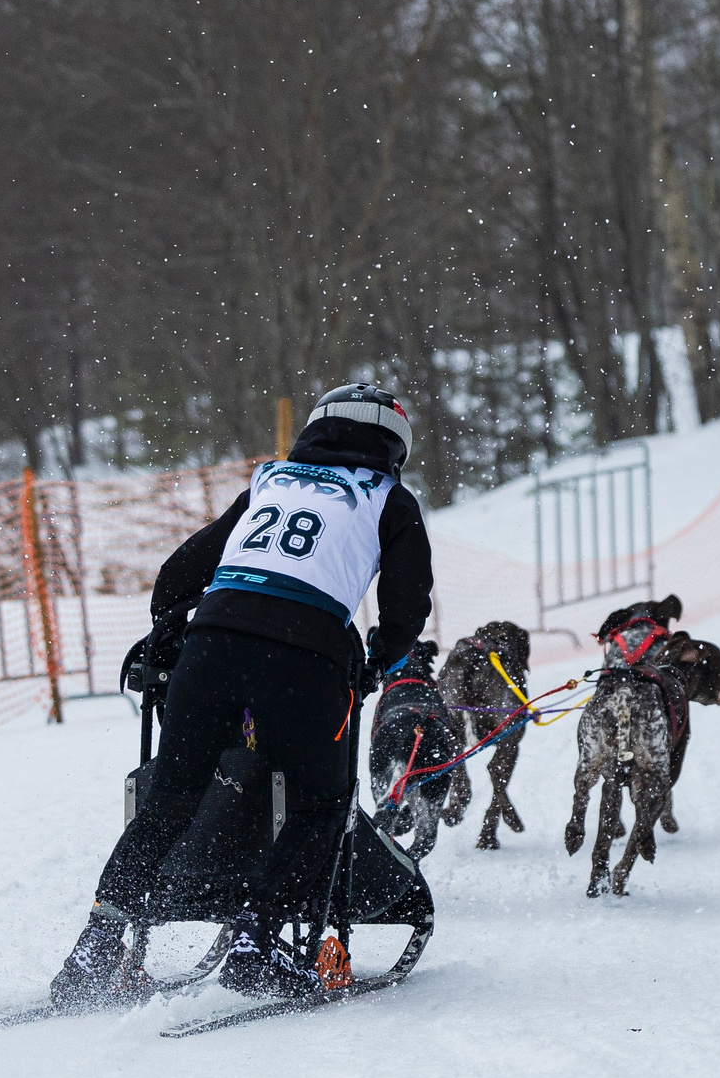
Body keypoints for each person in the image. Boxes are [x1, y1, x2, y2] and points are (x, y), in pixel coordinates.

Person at [49, 383, 434, 1005]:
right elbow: (409, 603)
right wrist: (378, 662)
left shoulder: (270, 480)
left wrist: (176, 630)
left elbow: (179, 573)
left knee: (171, 796)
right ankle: (256, 940)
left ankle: (97, 946)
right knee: (320, 804)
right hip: (308, 655)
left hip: (214, 643)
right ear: (395, 444)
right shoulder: (389, 498)